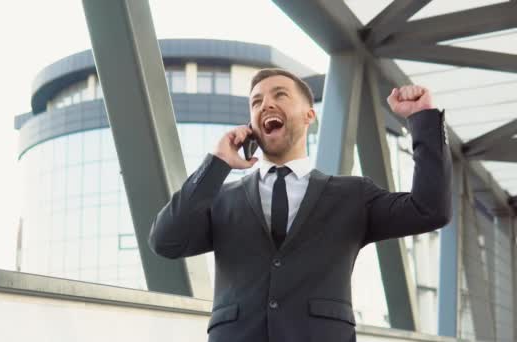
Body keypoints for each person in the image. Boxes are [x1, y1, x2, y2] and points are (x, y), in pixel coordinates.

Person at [149, 68, 451, 342]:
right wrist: (216, 164)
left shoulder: (353, 195)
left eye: (279, 94)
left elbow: (429, 209)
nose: (265, 104)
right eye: (256, 102)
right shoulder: (221, 199)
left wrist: (422, 118)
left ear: (309, 115)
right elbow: (165, 241)